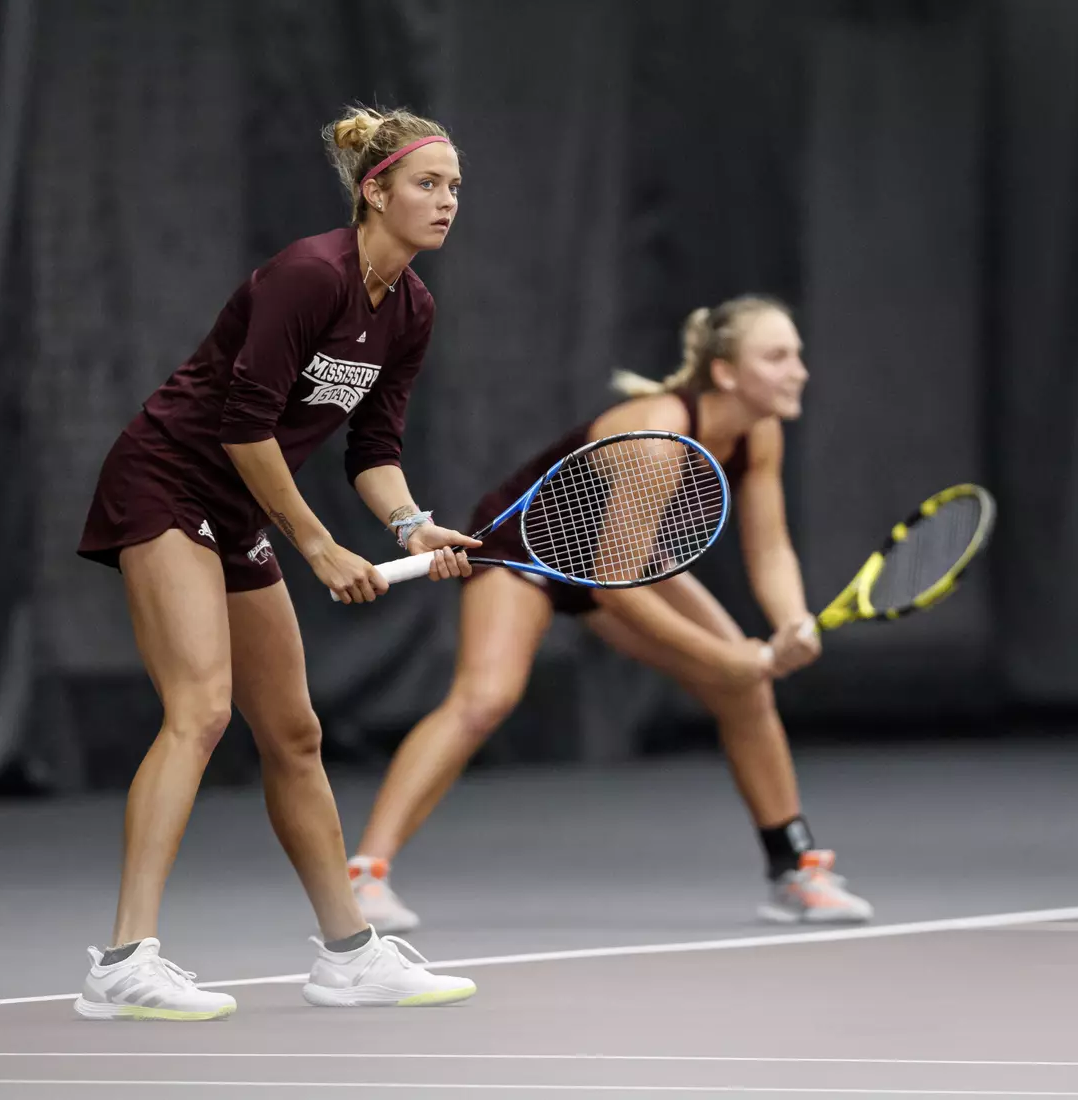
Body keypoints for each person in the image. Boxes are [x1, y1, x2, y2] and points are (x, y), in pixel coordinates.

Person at [72, 105, 483, 1019]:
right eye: (428, 183)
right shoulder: (308, 274)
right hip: (167, 481)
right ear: (374, 191)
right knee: (202, 708)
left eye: (455, 186)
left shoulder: (411, 308)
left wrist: (412, 526)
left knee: (294, 733)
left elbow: (372, 448)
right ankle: (122, 962)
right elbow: (243, 425)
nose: (447, 201)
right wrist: (319, 543)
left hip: (240, 504)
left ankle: (349, 955)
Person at [349, 296, 874, 930]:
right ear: (727, 372)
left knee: (747, 689)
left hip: (620, 558)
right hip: (527, 552)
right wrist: (728, 658)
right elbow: (614, 590)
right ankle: (363, 878)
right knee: (484, 699)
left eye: (797, 354)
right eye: (777, 356)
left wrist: (790, 622)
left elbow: (769, 546)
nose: (799, 371)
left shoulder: (759, 431)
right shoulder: (658, 436)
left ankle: (797, 870)